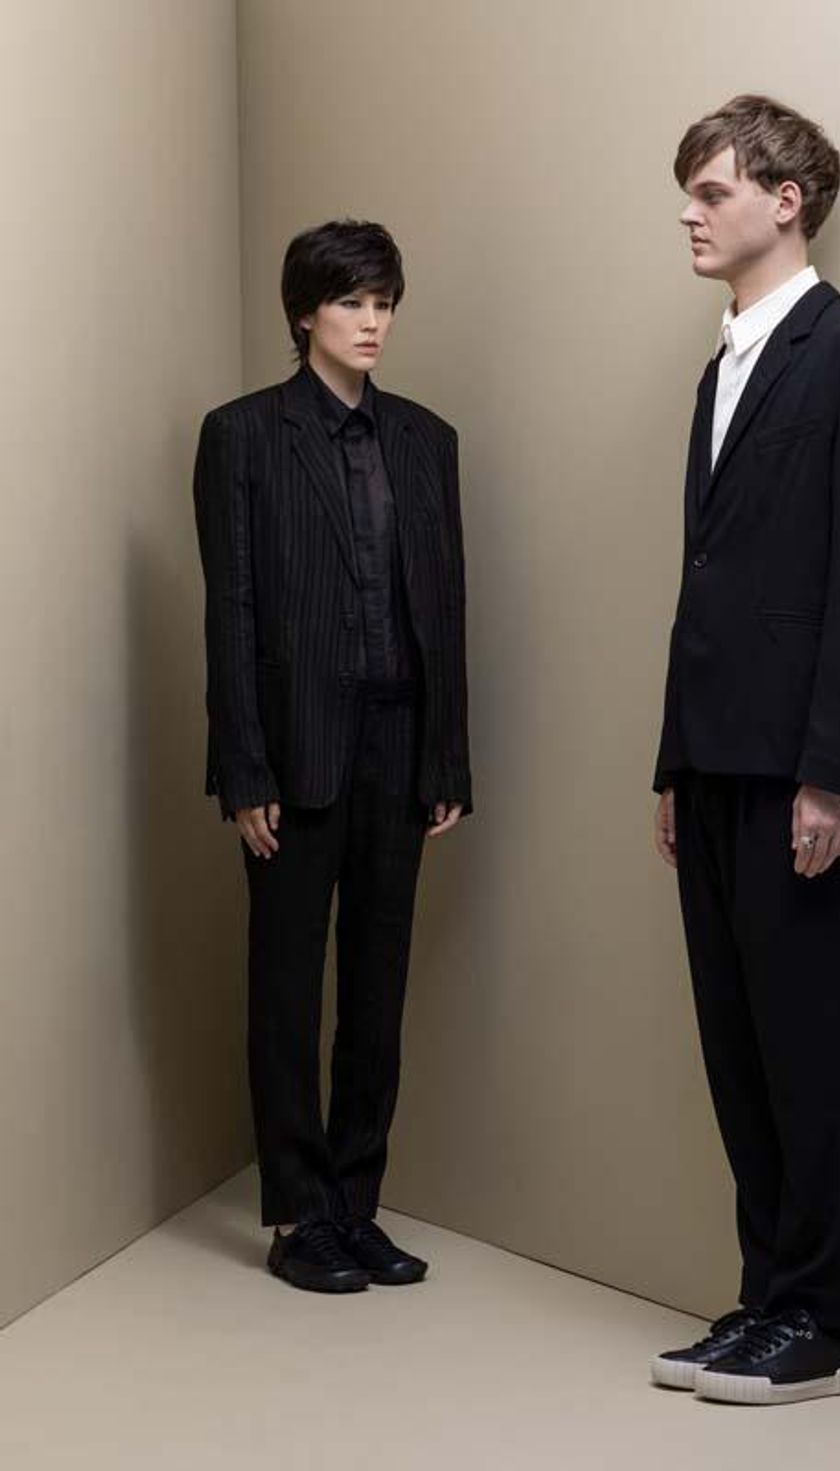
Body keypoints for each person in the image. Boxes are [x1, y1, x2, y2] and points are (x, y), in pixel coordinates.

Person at [648, 97, 840, 1404]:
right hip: (712, 757)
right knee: (736, 1045)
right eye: (690, 192)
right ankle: (767, 1296)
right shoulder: (720, 370)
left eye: (710, 190)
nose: (689, 213)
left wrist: (832, 772)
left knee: (811, 1046)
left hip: (803, 767)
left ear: (785, 199)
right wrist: (671, 760)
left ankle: (821, 1322)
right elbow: (702, 580)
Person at [193, 219, 471, 1294]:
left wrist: (446, 757)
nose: (371, 321)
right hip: (295, 751)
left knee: (377, 987)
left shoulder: (427, 440)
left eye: (384, 302)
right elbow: (231, 611)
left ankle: (355, 1206)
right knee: (285, 986)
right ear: (304, 311)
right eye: (352, 301)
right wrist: (244, 770)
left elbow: (445, 607)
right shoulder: (243, 436)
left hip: (399, 746)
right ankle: (298, 1216)